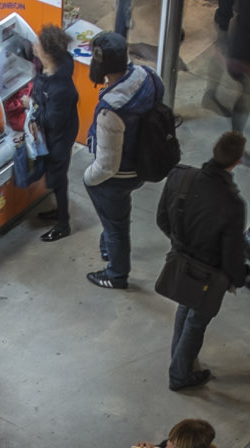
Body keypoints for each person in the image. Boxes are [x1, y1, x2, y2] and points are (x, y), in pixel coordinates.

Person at [157, 132, 250, 391]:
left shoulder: (181, 177)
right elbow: (231, 253)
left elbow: (162, 219)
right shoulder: (233, 204)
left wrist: (180, 246)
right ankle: (179, 375)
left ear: (213, 148)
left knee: (184, 308)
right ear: (237, 161)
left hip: (181, 260)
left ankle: (180, 359)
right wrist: (238, 278)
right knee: (196, 321)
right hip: (209, 273)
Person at [83, 32, 165, 291]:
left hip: (118, 176)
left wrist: (88, 178)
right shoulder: (148, 75)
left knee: (116, 224)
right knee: (116, 220)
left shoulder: (112, 108)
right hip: (144, 163)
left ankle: (116, 274)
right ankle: (108, 246)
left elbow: (107, 165)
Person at [30, 25, 80, 243]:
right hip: (63, 128)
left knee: (57, 177)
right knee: (56, 177)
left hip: (60, 137)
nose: (34, 46)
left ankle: (63, 224)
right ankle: (60, 211)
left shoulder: (58, 88)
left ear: (48, 54)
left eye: (38, 45)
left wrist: (32, 107)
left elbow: (52, 120)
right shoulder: (59, 64)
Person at [206, 2, 250, 138]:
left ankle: (210, 95)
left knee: (222, 46)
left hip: (239, 19)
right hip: (238, 21)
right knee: (248, 89)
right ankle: (236, 136)